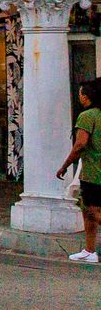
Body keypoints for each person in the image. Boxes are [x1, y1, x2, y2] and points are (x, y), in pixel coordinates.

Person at [57, 77, 101, 263]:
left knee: (93, 211)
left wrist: (65, 166)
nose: (79, 96)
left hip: (93, 171)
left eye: (80, 93)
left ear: (86, 96)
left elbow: (80, 144)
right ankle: (89, 250)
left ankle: (90, 250)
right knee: (86, 210)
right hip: (92, 171)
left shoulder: (87, 116)